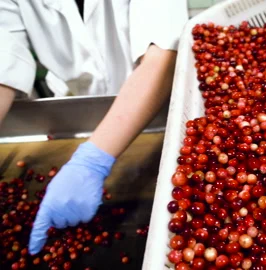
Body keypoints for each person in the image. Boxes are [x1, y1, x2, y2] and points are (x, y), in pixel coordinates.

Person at [0, 0, 188, 254]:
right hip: (78, 110)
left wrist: (92, 161)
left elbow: (164, 54)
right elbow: (4, 61)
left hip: (151, 103)